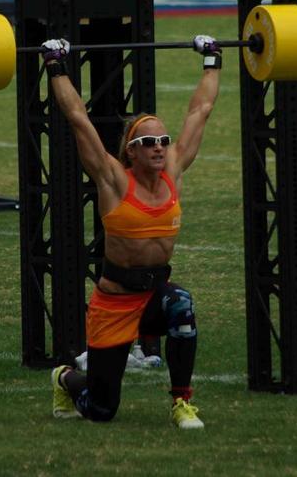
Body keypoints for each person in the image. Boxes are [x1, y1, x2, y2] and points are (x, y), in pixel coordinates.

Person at [45, 34, 222, 429]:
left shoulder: (173, 169)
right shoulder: (113, 181)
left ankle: (181, 403)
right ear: (131, 151)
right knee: (101, 409)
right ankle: (64, 378)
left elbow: (201, 110)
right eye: (148, 142)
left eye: (162, 140)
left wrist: (213, 60)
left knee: (182, 306)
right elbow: (78, 118)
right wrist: (55, 64)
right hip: (114, 304)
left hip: (154, 297)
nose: (159, 147)